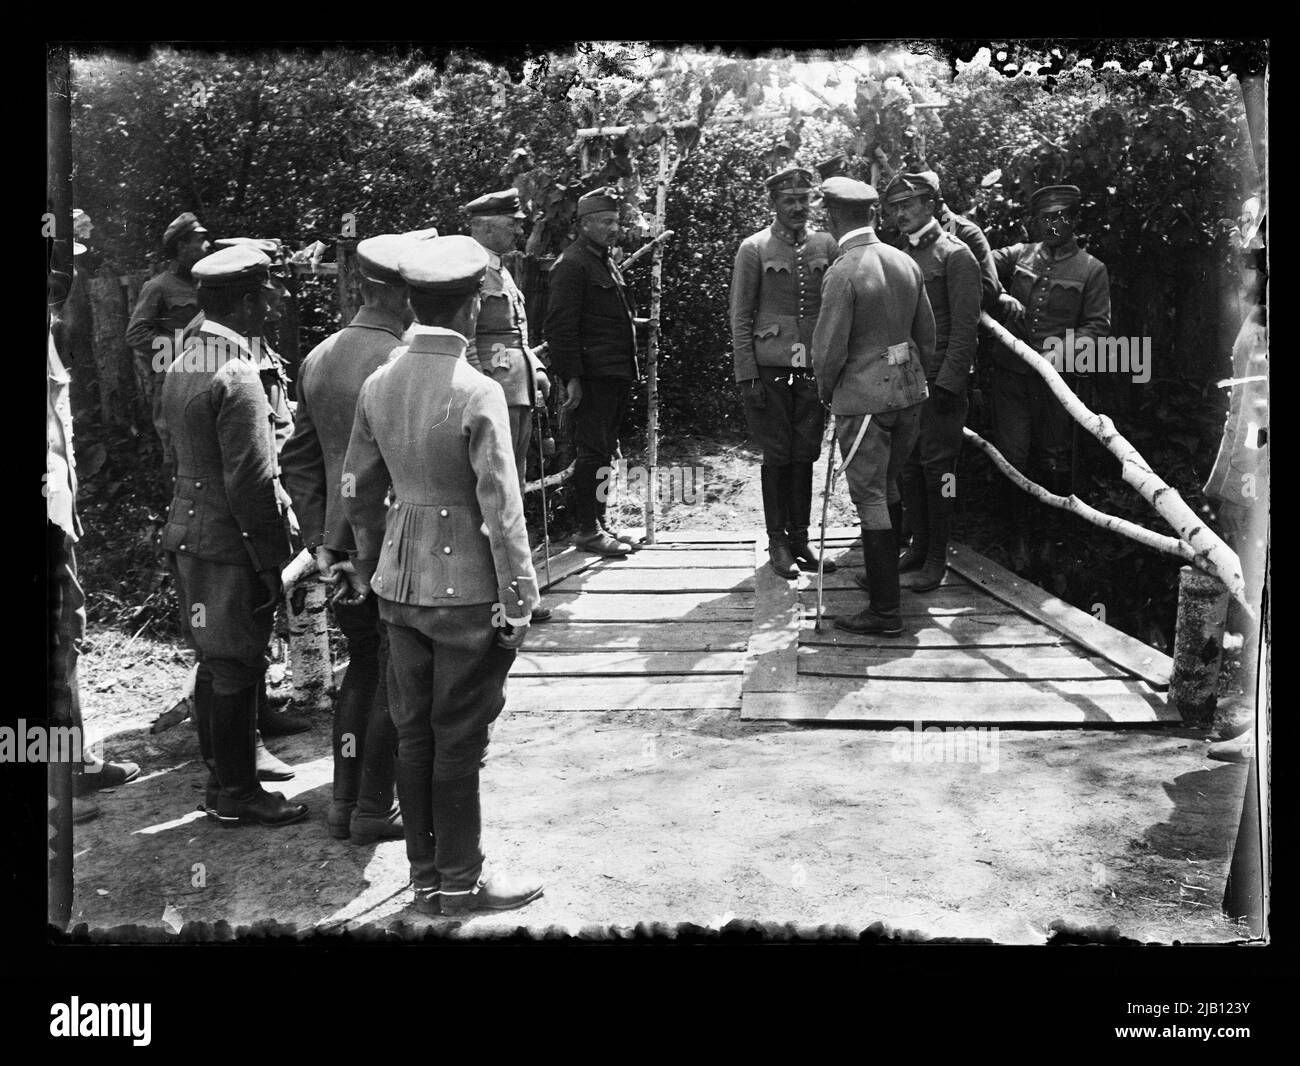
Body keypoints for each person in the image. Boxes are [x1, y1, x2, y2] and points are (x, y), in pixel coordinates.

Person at [343, 235, 543, 916]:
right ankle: (459, 882)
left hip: (400, 585)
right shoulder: (477, 390)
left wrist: (375, 566)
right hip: (467, 593)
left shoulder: (379, 382)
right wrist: (520, 601)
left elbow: (358, 493)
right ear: (466, 310)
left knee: (414, 731)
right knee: (459, 738)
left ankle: (426, 874)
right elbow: (502, 509)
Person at [159, 245, 307, 828]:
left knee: (216, 657)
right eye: (266, 293)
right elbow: (252, 480)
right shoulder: (237, 371)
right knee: (239, 663)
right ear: (247, 301)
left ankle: (224, 778)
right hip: (229, 540)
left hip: (192, 533)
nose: (271, 303)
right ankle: (238, 793)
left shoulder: (185, 358)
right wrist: (275, 561)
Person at [280, 234, 415, 844]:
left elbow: (299, 459)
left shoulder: (319, 355)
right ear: (402, 292)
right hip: (393, 545)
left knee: (362, 667)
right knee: (394, 673)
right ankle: (373, 809)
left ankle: (344, 801)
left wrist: (321, 540)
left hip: (340, 551)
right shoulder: (407, 359)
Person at [810, 177, 935, 636]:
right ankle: (883, 584)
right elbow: (929, 336)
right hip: (909, 393)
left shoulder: (842, 271)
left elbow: (827, 353)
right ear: (872, 215)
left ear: (830, 216)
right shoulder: (904, 260)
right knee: (890, 485)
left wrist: (829, 393)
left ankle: (884, 611)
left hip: (863, 401)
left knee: (870, 495)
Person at [730, 166, 840, 579]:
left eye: (803, 199)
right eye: (788, 200)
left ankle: (800, 538)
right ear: (772, 203)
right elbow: (740, 316)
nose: (798, 207)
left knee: (805, 452)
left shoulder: (827, 244)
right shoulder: (753, 248)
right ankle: (776, 541)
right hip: (770, 367)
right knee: (777, 454)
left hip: (812, 366)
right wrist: (747, 375)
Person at [883, 172, 981, 593]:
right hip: (906, 380)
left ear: (931, 204)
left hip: (940, 383)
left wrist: (950, 383)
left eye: (910, 204)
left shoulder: (955, 256)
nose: (901, 213)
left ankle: (938, 558)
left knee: (939, 469)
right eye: (895, 206)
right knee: (908, 466)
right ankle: (918, 548)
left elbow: (965, 328)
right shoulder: (899, 254)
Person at [464, 188, 553, 621]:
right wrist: (481, 389)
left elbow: (514, 334)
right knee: (500, 497)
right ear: (483, 225)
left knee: (512, 493)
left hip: (515, 394)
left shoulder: (502, 269)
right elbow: (469, 339)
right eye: (511, 220)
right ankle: (505, 594)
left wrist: (534, 366)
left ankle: (515, 587)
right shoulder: (474, 271)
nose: (521, 226)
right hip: (495, 396)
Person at [990, 184, 1111, 498]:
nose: (1052, 225)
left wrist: (1056, 355)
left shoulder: (1092, 269)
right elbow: (973, 265)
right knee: (1012, 453)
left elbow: (1098, 326)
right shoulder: (1018, 254)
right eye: (1045, 218)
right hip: (1012, 376)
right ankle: (1016, 537)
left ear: (1074, 220)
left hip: (1057, 380)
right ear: (1035, 222)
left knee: (1054, 455)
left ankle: (1051, 537)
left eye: (1060, 217)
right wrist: (1000, 293)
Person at [543, 187, 641, 557]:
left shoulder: (602, 260)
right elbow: (560, 329)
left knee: (602, 453)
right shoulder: (572, 264)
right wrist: (572, 378)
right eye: (606, 221)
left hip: (614, 373)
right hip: (593, 376)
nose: (614, 228)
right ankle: (586, 528)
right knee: (591, 453)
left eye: (616, 220)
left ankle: (600, 522)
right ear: (584, 224)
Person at [126, 212, 211, 441]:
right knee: (176, 448)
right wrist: (185, 344)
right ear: (182, 245)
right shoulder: (158, 286)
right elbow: (136, 335)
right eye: (200, 240)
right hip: (173, 380)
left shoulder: (207, 284)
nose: (207, 244)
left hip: (207, 376)